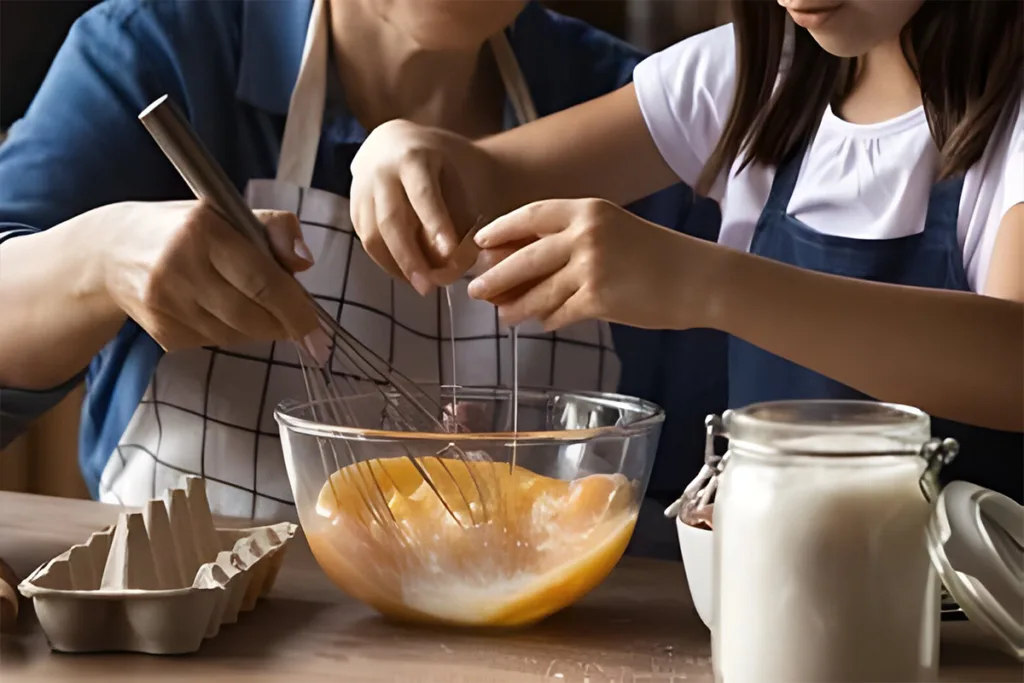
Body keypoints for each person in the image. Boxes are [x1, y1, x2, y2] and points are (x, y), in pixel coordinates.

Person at [0, 0, 725, 546]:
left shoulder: (645, 119)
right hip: (204, 638)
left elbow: (705, 479)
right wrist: (97, 260)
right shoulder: (163, 51)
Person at [348, 0, 1024, 502]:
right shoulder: (751, 80)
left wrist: (706, 285)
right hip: (770, 610)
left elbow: (1011, 361)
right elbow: (487, 177)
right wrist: (405, 152)